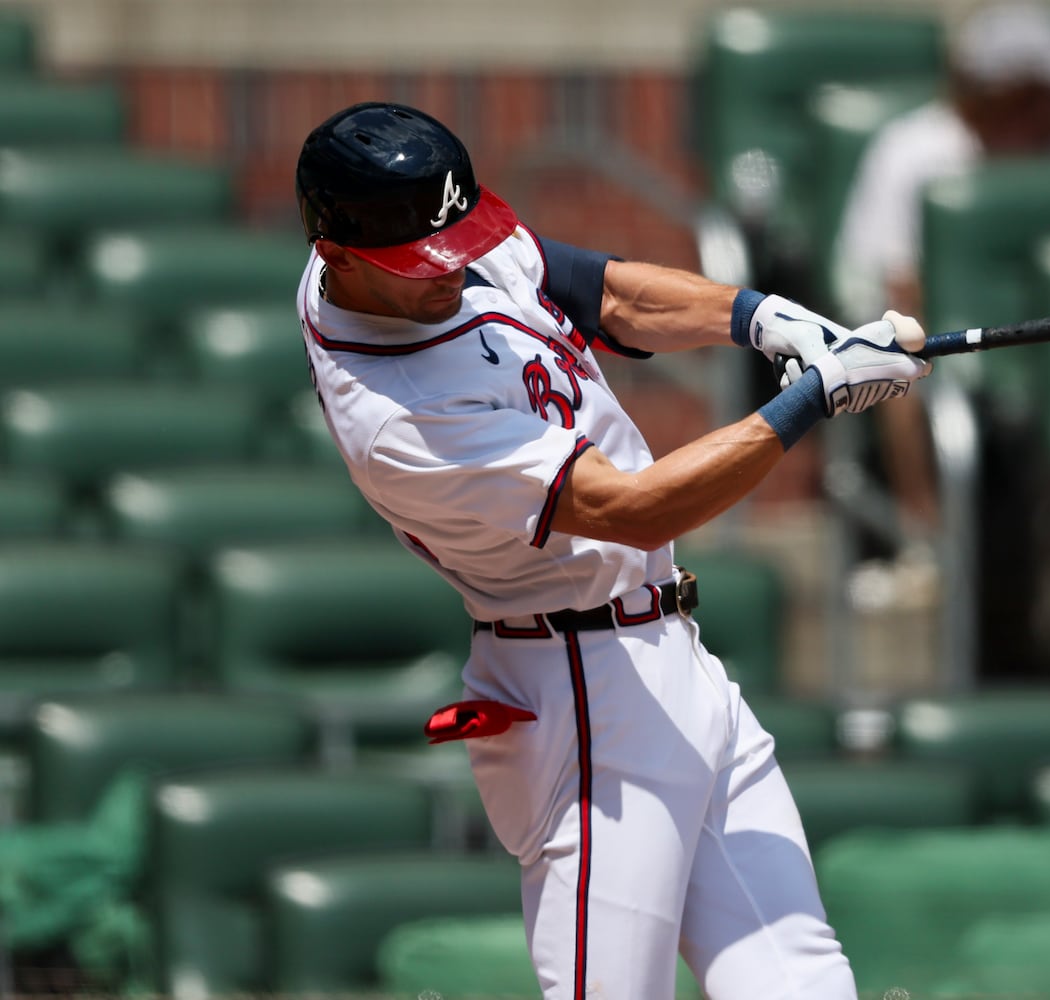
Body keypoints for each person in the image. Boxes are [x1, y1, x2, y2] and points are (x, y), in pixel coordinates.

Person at [293, 102, 930, 1000]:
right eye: (424, 264)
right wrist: (811, 399)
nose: (456, 268)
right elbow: (637, 507)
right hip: (581, 686)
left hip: (673, 659)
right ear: (338, 253)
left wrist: (767, 320)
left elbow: (593, 288)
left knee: (798, 980)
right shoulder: (397, 417)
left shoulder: (416, 249)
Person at [831, 2, 1050, 539]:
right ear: (1007, 94)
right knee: (899, 350)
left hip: (1045, 339)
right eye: (1048, 94)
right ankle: (925, 535)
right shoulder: (911, 152)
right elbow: (899, 294)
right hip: (926, 334)